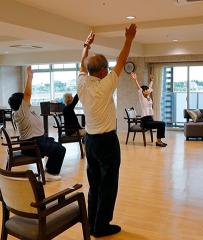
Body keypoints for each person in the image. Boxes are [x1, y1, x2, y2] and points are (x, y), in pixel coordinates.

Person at [77, 24, 136, 237]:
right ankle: (101, 226)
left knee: (95, 185)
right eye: (107, 68)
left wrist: (86, 46)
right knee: (109, 185)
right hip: (107, 143)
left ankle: (92, 222)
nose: (109, 70)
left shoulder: (82, 84)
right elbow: (122, 61)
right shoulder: (104, 85)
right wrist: (129, 38)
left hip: (90, 142)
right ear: (102, 71)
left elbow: (82, 67)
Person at [8, 66, 66, 182]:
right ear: (21, 103)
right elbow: (28, 94)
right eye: (24, 100)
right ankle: (50, 173)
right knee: (60, 149)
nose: (27, 101)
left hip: (39, 140)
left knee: (57, 146)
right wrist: (30, 77)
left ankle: (48, 169)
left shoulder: (25, 112)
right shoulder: (20, 113)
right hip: (32, 144)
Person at [130, 72, 167, 147]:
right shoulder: (142, 97)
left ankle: (159, 141)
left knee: (162, 124)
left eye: (148, 90)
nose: (148, 90)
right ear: (143, 91)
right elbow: (139, 88)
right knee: (162, 124)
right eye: (146, 90)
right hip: (145, 121)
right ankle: (158, 142)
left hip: (150, 119)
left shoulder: (148, 97)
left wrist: (152, 80)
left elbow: (150, 87)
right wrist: (135, 80)